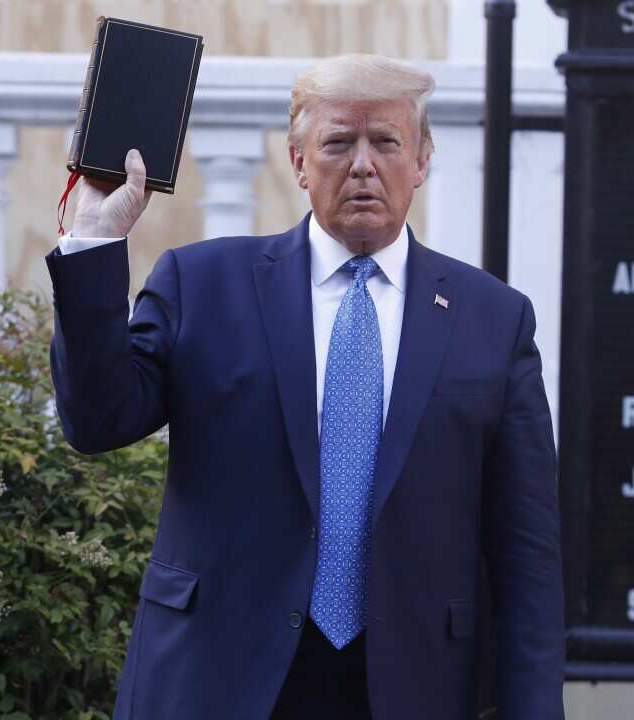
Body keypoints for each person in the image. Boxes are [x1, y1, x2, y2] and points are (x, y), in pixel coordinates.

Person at [45, 54, 565, 719]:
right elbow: (97, 421)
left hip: (413, 686)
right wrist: (94, 238)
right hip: (218, 678)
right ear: (297, 162)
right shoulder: (202, 286)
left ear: (423, 161)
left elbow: (527, 557)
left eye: (386, 142)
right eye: (338, 143)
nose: (363, 165)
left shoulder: (493, 319)